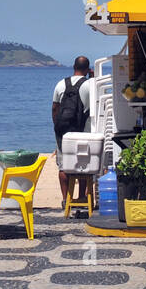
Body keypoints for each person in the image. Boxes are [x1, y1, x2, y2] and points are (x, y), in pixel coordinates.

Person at [52, 56, 94, 202]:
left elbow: (55, 108)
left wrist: (57, 126)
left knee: (63, 166)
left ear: (73, 67)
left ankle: (66, 200)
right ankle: (82, 197)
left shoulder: (60, 84)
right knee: (83, 165)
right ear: (88, 69)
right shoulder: (90, 84)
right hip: (83, 131)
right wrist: (93, 77)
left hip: (62, 131)